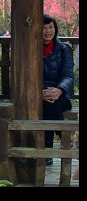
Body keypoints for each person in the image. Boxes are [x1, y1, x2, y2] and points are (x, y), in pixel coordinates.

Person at [42, 14, 74, 164]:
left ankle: (47, 152)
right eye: (43, 28)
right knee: (49, 104)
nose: (48, 31)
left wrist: (59, 90)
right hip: (38, 94)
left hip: (60, 95)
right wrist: (40, 92)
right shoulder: (30, 49)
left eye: (50, 27)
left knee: (51, 104)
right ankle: (66, 139)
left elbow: (68, 76)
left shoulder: (63, 49)